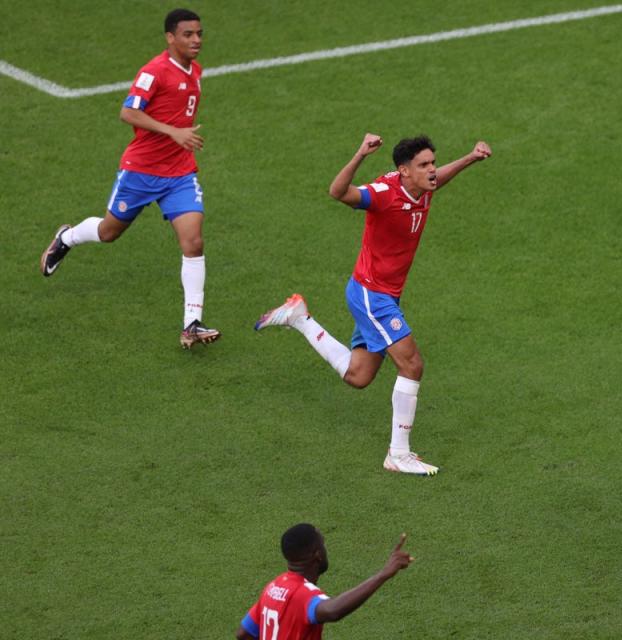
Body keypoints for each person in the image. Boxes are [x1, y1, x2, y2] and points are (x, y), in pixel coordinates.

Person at [254, 133, 491, 476]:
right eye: (424, 165)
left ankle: (299, 318)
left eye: (433, 163)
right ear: (404, 171)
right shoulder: (383, 194)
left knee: (359, 375)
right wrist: (360, 154)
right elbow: (337, 192)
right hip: (371, 295)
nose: (433, 171)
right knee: (412, 365)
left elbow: (440, 179)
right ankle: (398, 454)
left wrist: (470, 157)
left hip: (385, 295)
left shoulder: (423, 186)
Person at [40, 8, 219, 350]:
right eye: (188, 34)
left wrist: (178, 139)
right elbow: (128, 112)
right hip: (141, 171)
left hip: (180, 173)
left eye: (199, 34)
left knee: (193, 242)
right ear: (170, 37)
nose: (196, 40)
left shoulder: (196, 70)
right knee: (109, 232)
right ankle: (67, 238)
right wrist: (172, 132)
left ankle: (191, 324)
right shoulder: (153, 72)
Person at [235, 524, 412, 640]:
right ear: (317, 554)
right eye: (323, 545)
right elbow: (332, 611)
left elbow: (243, 633)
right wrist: (383, 574)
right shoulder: (302, 593)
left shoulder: (273, 587)